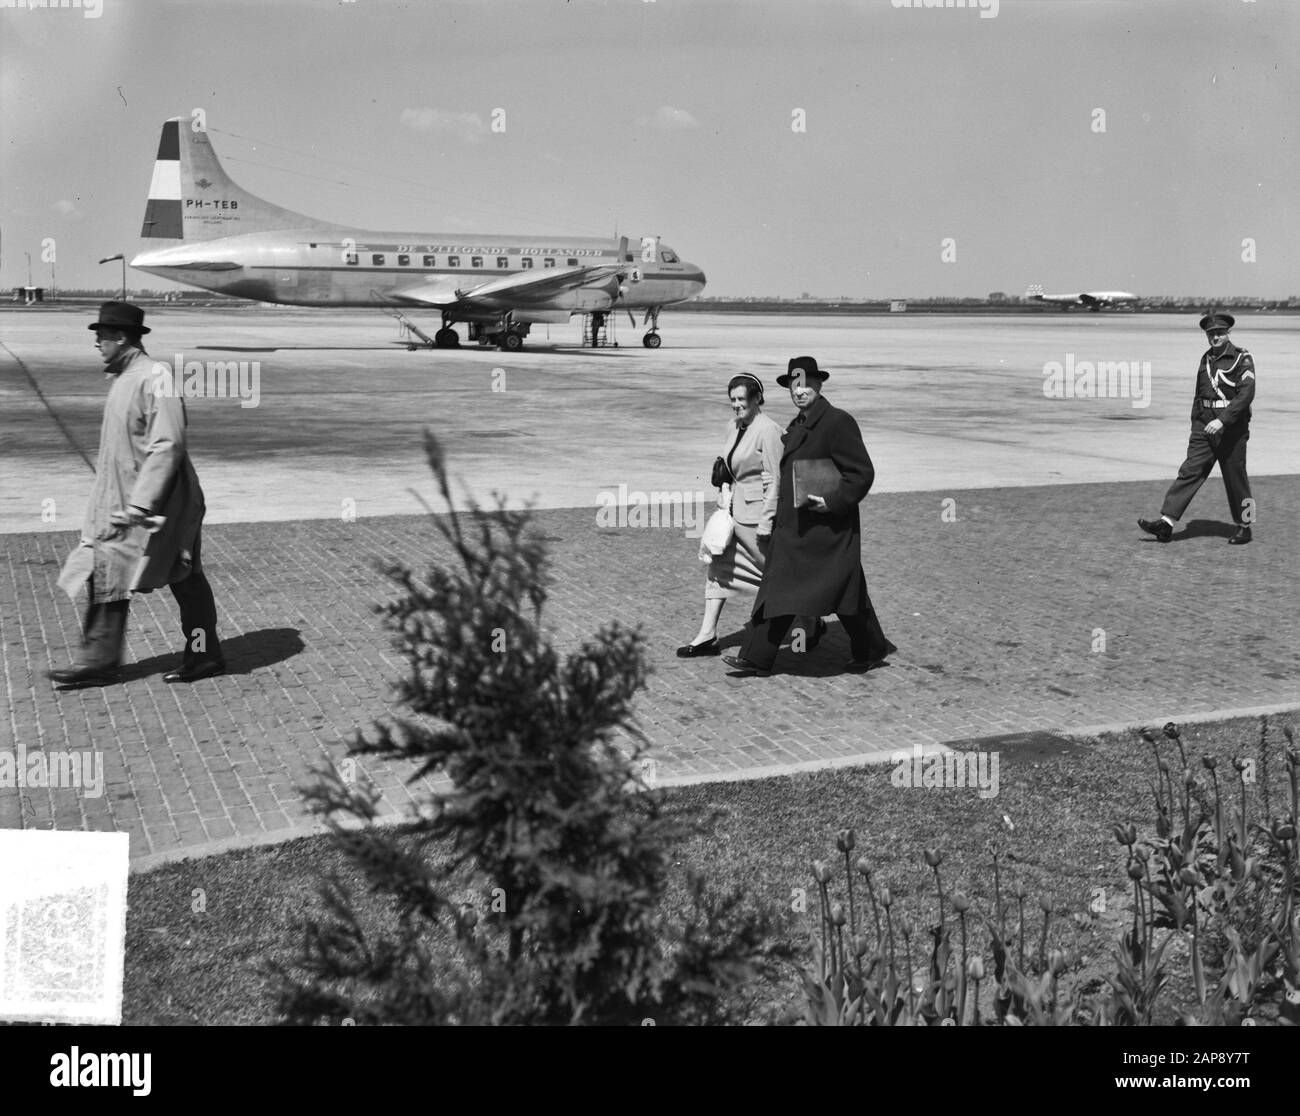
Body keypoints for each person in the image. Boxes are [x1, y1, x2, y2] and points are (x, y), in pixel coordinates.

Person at [49, 302, 225, 689]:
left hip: (165, 507)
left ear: (122, 338)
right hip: (123, 509)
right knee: (105, 574)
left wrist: (142, 504)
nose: (97, 344)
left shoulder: (155, 376)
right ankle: (98, 663)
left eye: (101, 337)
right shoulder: (124, 381)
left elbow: (168, 444)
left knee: (185, 577)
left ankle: (205, 655)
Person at [723, 356, 896, 676]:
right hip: (796, 529)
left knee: (846, 593)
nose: (799, 391)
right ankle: (757, 656)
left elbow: (861, 474)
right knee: (780, 588)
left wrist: (832, 501)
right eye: (794, 385)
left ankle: (871, 648)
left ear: (818, 384)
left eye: (805, 385)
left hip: (827, 530)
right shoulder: (799, 423)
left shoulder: (837, 421)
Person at [678, 373, 826, 655]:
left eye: (742, 399)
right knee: (719, 570)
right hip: (733, 515)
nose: (736, 405)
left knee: (778, 576)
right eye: (732, 400)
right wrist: (723, 488)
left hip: (757, 520)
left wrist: (767, 521)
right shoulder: (732, 426)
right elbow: (728, 465)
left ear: (757, 399)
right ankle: (707, 635)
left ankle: (810, 620)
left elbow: (776, 478)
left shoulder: (768, 430)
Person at [1139, 312, 1255, 545]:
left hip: (1231, 429)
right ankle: (1166, 523)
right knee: (1190, 470)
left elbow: (1246, 394)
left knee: (1236, 479)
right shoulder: (1206, 359)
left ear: (1228, 333)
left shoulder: (1242, 358)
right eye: (1211, 334)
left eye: (1220, 333)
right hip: (1204, 426)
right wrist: (1196, 425)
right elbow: (1199, 394)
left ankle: (1246, 526)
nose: (1215, 337)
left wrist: (1223, 420)